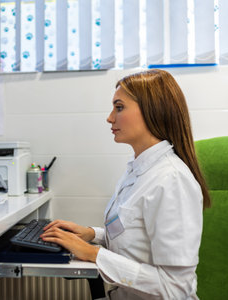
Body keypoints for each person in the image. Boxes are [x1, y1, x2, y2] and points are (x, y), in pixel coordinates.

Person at [41, 69, 211, 299]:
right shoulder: (138, 170)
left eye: (119, 107)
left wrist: (94, 255)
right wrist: (92, 234)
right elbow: (134, 236)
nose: (110, 117)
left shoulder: (171, 180)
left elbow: (175, 288)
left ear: (153, 110)